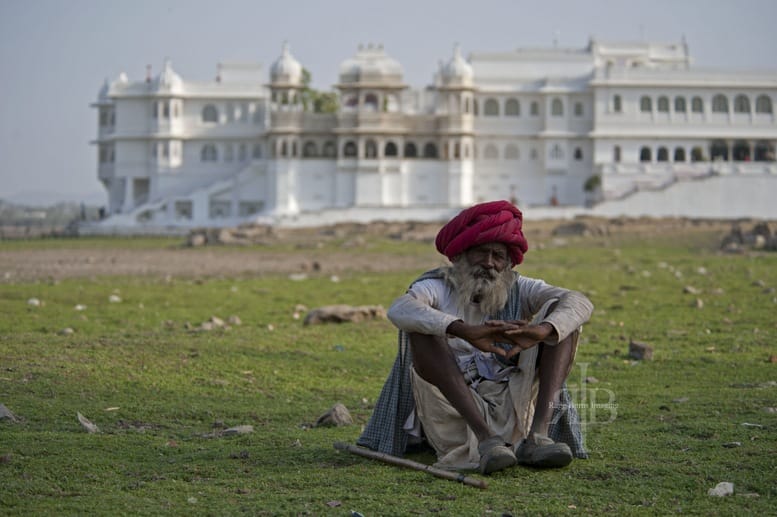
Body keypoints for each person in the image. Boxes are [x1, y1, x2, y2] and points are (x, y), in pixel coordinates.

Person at [357, 200, 594, 474]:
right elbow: (400, 309)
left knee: (562, 321)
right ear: (461, 255)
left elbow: (579, 301)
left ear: (507, 263)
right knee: (423, 331)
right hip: (454, 411)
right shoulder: (436, 287)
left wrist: (541, 331)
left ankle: (538, 438)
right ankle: (486, 441)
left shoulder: (518, 287)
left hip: (512, 404)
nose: (490, 264)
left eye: (498, 256)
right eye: (481, 253)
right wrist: (461, 330)